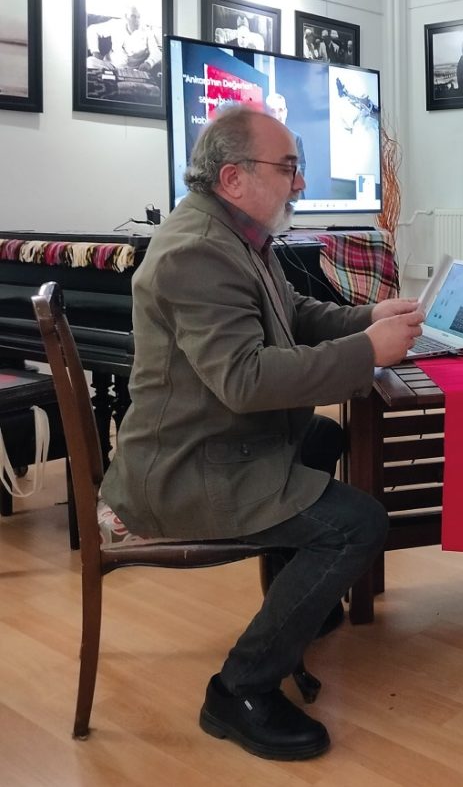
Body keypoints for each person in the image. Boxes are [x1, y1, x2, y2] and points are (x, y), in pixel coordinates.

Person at [101, 104, 423, 761]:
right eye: (289, 168)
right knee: (359, 525)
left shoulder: (236, 233)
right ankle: (240, 688)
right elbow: (245, 380)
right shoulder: (197, 252)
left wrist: (369, 317)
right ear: (233, 177)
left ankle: (299, 597)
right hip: (187, 467)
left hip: (217, 441)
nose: (300, 183)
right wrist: (368, 351)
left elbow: (292, 314)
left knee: (324, 441)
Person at [86, 4, 161, 75]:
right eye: (133, 16)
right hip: (111, 66)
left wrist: (148, 63)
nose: (137, 20)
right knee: (89, 61)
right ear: (126, 17)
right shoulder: (115, 24)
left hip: (134, 71)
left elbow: (157, 52)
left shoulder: (147, 32)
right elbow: (92, 29)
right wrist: (95, 51)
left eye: (139, 17)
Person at [265, 92, 306, 199]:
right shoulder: (259, 140)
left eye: (280, 110)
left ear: (286, 112)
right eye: (273, 111)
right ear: (267, 114)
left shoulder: (296, 139)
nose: (277, 116)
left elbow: (300, 168)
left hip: (292, 196)